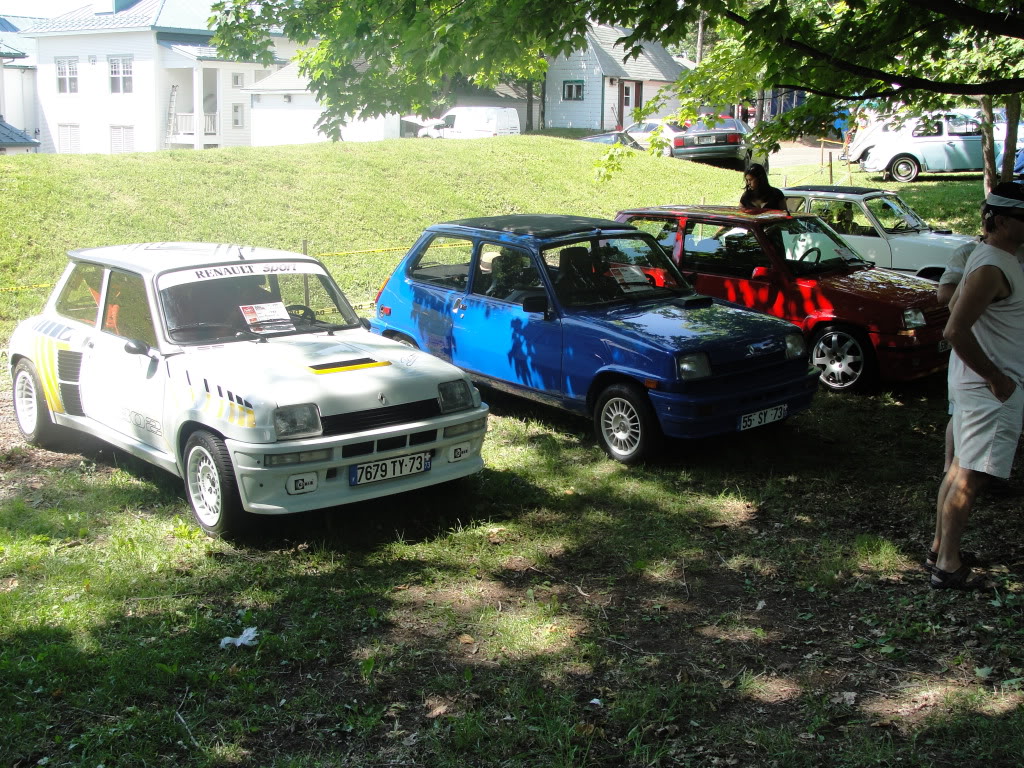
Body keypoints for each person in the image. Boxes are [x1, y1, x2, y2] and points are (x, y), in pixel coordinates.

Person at [929, 182, 1024, 589]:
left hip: (977, 387)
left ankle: (939, 549)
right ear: (1001, 221)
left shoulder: (996, 256)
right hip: (990, 390)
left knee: (958, 470)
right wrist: (995, 377)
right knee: (971, 476)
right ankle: (948, 567)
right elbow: (954, 328)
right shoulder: (990, 267)